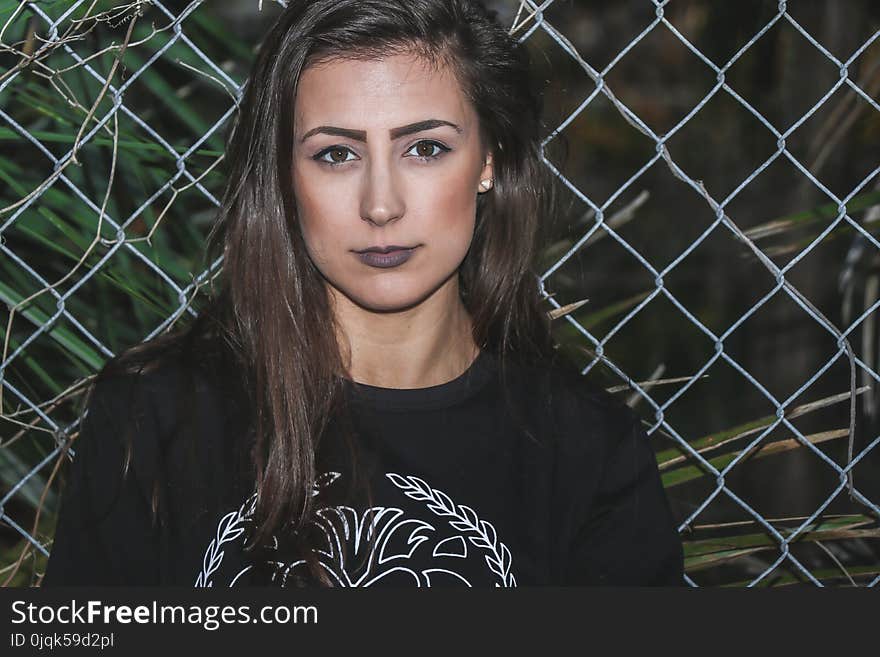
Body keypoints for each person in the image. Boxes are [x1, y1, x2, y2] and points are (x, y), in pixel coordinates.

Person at [41, 0, 683, 587]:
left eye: (425, 148)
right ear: (284, 174)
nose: (381, 205)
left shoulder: (587, 452)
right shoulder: (156, 419)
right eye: (336, 155)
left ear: (489, 160)